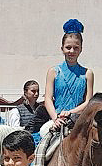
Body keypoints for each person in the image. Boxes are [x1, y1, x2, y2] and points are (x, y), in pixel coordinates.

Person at [37, 19, 95, 158]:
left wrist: (70, 112)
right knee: (41, 152)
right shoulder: (53, 72)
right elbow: (48, 99)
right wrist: (56, 118)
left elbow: (88, 101)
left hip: (79, 121)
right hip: (57, 120)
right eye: (68, 47)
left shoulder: (87, 73)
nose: (72, 51)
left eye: (76, 47)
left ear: (81, 49)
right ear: (62, 48)